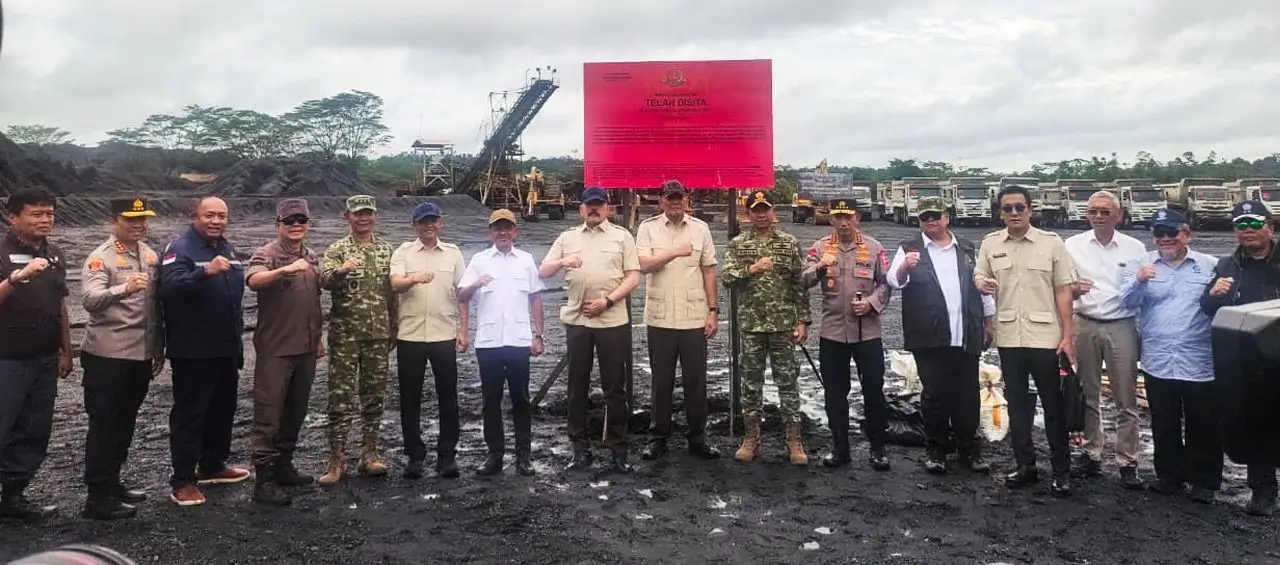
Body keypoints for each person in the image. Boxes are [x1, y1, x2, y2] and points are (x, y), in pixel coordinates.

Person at [975, 185, 1077, 496]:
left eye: (1020, 207)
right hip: (1009, 338)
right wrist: (982, 283)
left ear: (1031, 210)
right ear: (1001, 212)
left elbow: (1064, 291)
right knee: (1017, 405)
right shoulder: (991, 244)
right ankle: (1025, 466)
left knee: (1054, 406)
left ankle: (1061, 471)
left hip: (1046, 338)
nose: (1015, 213)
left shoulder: (1050, 244)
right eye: (1008, 209)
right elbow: (979, 277)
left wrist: (1068, 336)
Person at [1118, 208, 1221, 504]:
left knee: (1203, 422)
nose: (1165, 239)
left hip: (1199, 359)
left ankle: (1204, 481)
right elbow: (1125, 304)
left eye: (1172, 233)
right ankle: (1170, 475)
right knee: (1164, 421)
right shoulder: (1142, 264)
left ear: (1186, 234)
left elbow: (1221, 304)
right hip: (1159, 359)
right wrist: (1138, 280)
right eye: (1159, 234)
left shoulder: (1210, 265)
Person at [886, 196, 995, 474]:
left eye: (936, 216)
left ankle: (969, 449)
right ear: (918, 221)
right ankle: (936, 450)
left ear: (947, 217)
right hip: (929, 335)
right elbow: (894, 282)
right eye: (925, 217)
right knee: (934, 395)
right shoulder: (909, 248)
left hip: (965, 333)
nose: (931, 221)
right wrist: (904, 267)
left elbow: (982, 291)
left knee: (968, 394)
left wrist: (988, 323)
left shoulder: (968, 249)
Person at [539, 187, 641, 473]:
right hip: (578, 322)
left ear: (607, 208)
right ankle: (579, 449)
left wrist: (607, 301)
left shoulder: (622, 237)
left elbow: (634, 276)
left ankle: (618, 450)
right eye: (589, 205)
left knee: (614, 388)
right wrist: (562, 261)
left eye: (599, 205)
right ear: (581, 209)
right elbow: (543, 271)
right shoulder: (567, 238)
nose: (594, 209)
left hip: (611, 321)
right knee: (576, 387)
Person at [158, 196, 251, 507]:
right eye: (209, 215)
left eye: (221, 216)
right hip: (194, 351)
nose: (216, 221)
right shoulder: (179, 249)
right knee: (190, 416)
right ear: (193, 216)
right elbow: (168, 289)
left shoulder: (226, 248)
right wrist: (204, 273)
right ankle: (183, 480)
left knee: (222, 411)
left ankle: (212, 465)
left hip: (225, 348)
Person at [78, 197, 164, 520]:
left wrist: (158, 347)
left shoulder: (150, 254)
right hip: (108, 357)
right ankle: (96, 498)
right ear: (113, 221)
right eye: (131, 220)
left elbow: (155, 308)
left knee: (125, 423)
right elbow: (89, 299)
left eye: (143, 220)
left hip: (138, 356)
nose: (139, 225)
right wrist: (123, 289)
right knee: (104, 425)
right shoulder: (101, 259)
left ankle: (112, 483)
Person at [1200, 199, 1280, 517]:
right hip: (1249, 359)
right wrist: (1213, 295)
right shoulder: (1226, 266)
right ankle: (1263, 490)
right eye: (1241, 225)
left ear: (1270, 227)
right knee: (1256, 421)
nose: (1247, 231)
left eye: (1254, 224)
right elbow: (1207, 308)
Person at [1063, 190, 1147, 488]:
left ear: (1118, 215)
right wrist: (1073, 290)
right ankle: (1091, 453)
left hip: (1121, 324)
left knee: (1126, 397)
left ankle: (1127, 461)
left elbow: (1140, 293)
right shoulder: (1072, 246)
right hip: (1084, 322)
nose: (1098, 217)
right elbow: (1060, 288)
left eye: (1105, 212)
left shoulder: (1135, 248)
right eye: (1093, 212)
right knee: (1088, 392)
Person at [244, 198, 324, 505]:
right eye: (289, 221)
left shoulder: (312, 256)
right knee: (269, 413)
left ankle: (284, 465)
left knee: (296, 410)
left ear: (308, 224)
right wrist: (284, 271)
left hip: (305, 348)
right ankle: (263, 481)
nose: (295, 226)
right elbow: (254, 280)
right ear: (278, 224)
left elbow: (313, 302)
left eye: (301, 221)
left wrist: (316, 340)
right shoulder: (267, 253)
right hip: (276, 349)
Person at [801, 198, 892, 470]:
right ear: (831, 219)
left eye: (848, 216)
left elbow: (887, 283)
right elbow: (802, 279)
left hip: (868, 333)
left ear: (857, 218)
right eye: (838, 217)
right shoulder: (820, 248)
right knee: (834, 393)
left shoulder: (874, 248)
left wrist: (872, 303)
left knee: (873, 391)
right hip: (832, 333)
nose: (843, 222)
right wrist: (818, 268)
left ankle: (878, 449)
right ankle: (840, 448)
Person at [721, 190, 810, 465]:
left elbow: (800, 284)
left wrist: (803, 320)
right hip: (751, 325)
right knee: (751, 384)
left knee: (788, 382)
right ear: (748, 214)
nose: (761, 215)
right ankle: (751, 438)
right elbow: (726, 277)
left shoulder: (789, 243)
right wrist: (751, 269)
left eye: (765, 209)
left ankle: (794, 441)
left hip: (783, 325)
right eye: (755, 210)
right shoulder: (738, 244)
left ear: (773, 212)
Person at [634, 180, 721, 461]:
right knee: (661, 381)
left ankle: (697, 438)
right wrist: (674, 252)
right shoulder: (648, 228)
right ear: (660, 200)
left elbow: (709, 271)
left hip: (694, 317)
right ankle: (658, 437)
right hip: (660, 318)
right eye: (669, 198)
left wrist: (713, 310)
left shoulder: (701, 229)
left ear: (686, 200)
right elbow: (644, 265)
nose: (674, 202)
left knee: (696, 381)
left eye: (679, 197)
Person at [0, 188, 72, 521]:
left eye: (50, 213)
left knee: (33, 431)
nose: (45, 219)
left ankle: (13, 498)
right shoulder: (1, 252)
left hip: (43, 359)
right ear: (13, 217)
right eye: (36, 213)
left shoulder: (55, 253)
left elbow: (60, 304)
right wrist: (16, 278)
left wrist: (66, 350)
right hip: (6, 359)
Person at [459, 209, 546, 476]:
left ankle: (523, 456)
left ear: (515, 232)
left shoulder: (526, 260)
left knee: (521, 399)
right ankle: (494, 455)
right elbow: (462, 295)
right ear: (491, 232)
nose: (503, 232)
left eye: (508, 228)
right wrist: (476, 283)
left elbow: (535, 298)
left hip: (519, 341)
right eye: (498, 228)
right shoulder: (479, 260)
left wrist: (539, 334)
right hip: (489, 343)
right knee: (490, 400)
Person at [319, 195, 397, 485]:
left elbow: (392, 295)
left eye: (368, 213)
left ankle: (370, 453)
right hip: (346, 336)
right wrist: (341, 271)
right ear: (347, 217)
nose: (363, 218)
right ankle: (336, 459)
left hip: (377, 334)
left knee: (374, 395)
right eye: (357, 214)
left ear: (374, 216)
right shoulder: (338, 249)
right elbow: (323, 280)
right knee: (340, 397)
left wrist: (395, 328)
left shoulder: (386, 250)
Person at [389, 201, 467, 480]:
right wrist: (414, 278)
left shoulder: (453, 254)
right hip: (410, 336)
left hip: (443, 334)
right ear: (415, 225)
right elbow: (395, 283)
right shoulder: (403, 252)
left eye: (433, 220)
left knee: (448, 397)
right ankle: (414, 456)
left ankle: (447, 456)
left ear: (440, 223)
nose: (429, 225)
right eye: (423, 221)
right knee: (409, 398)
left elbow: (462, 294)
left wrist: (464, 330)